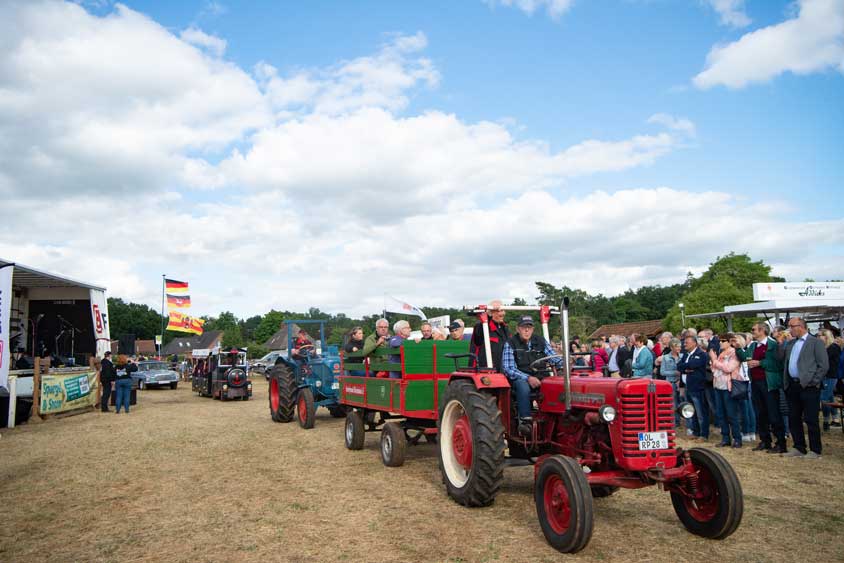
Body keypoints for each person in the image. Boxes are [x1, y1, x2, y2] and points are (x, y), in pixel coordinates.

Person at [501, 316, 561, 435]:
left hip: (541, 375)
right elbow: (508, 368)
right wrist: (528, 378)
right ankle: (525, 421)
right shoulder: (511, 343)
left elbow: (553, 358)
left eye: (529, 327)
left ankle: (555, 417)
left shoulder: (540, 341)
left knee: (556, 385)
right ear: (518, 329)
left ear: (533, 329)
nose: (526, 330)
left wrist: (566, 363)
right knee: (523, 386)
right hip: (520, 377)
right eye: (524, 327)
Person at [781, 318, 828, 459]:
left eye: (792, 326)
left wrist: (813, 382)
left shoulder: (815, 343)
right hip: (792, 385)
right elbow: (782, 359)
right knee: (794, 417)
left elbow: (823, 365)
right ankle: (799, 447)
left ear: (801, 327)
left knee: (811, 418)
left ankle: (815, 450)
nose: (789, 329)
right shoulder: (791, 344)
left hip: (809, 387)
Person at [744, 323, 786, 453]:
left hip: (768, 382)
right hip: (756, 382)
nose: (752, 332)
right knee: (760, 413)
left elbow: (777, 364)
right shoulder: (753, 345)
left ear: (762, 331)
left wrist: (760, 363)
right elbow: (745, 357)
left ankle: (780, 442)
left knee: (773, 413)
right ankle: (765, 440)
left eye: (754, 330)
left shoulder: (772, 345)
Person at [709, 336, 743, 448]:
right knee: (721, 414)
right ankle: (725, 438)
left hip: (728, 387)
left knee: (732, 414)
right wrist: (715, 363)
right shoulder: (721, 353)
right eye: (720, 341)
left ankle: (737, 438)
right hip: (718, 386)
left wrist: (714, 361)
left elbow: (728, 368)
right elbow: (714, 369)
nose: (720, 342)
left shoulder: (734, 354)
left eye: (723, 341)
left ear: (729, 342)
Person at [678, 335, 709, 441]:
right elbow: (679, 366)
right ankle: (696, 432)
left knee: (701, 412)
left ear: (694, 343)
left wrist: (686, 366)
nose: (684, 344)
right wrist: (686, 368)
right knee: (692, 411)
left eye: (687, 342)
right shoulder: (686, 354)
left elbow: (694, 364)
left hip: (697, 387)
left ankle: (704, 434)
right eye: (684, 342)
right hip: (688, 387)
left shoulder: (701, 354)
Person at [470, 300, 510, 371]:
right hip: (483, 371)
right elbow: (478, 335)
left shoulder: (505, 328)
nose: (503, 313)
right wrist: (487, 314)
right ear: (490, 313)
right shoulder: (482, 326)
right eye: (498, 311)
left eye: (503, 310)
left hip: (502, 371)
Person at [818, 329, 841, 430]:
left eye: (819, 336)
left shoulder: (833, 347)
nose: (818, 338)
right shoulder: (825, 347)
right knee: (830, 397)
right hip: (826, 376)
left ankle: (826, 420)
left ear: (826, 337)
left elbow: (823, 360)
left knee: (824, 399)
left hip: (830, 376)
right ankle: (836, 419)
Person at [660, 338, 683, 426]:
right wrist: (675, 373)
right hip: (671, 383)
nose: (679, 348)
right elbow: (662, 372)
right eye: (677, 347)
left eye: (679, 346)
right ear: (672, 347)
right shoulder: (666, 358)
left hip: (681, 383)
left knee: (682, 401)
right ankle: (675, 422)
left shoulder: (682, 356)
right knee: (673, 402)